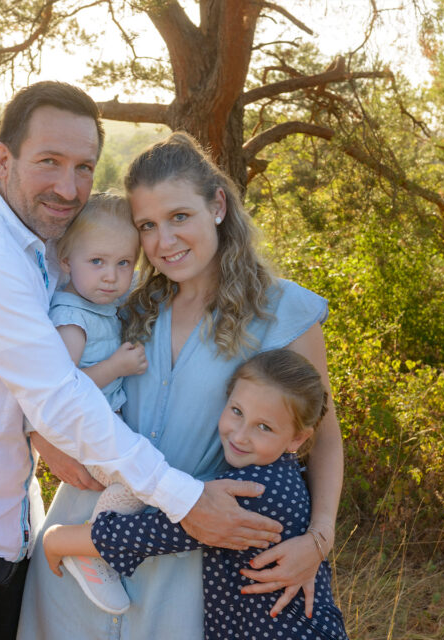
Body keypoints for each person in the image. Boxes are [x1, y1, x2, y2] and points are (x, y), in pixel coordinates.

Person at [0, 83, 284, 640]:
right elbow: (60, 395)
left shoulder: (48, 255)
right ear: (3, 160)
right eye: (49, 162)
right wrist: (186, 498)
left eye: (84, 167)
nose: (68, 186)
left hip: (2, 529)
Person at [18, 132, 344, 639]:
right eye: (147, 225)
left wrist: (319, 540)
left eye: (179, 217)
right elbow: (40, 380)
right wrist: (39, 437)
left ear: (217, 205)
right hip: (80, 546)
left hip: (191, 562)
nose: (163, 242)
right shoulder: (123, 303)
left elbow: (322, 436)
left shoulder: (285, 311)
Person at [41, 349, 349, 640]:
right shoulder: (285, 474)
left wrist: (61, 539)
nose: (241, 435)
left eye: (264, 427)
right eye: (237, 411)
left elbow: (161, 532)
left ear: (297, 438)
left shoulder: (257, 490)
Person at [42, 192, 150, 614]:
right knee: (136, 482)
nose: (112, 276)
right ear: (66, 262)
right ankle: (88, 546)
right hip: (82, 433)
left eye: (124, 263)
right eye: (98, 262)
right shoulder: (73, 318)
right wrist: (116, 366)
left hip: (101, 427)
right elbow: (63, 390)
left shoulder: (100, 302)